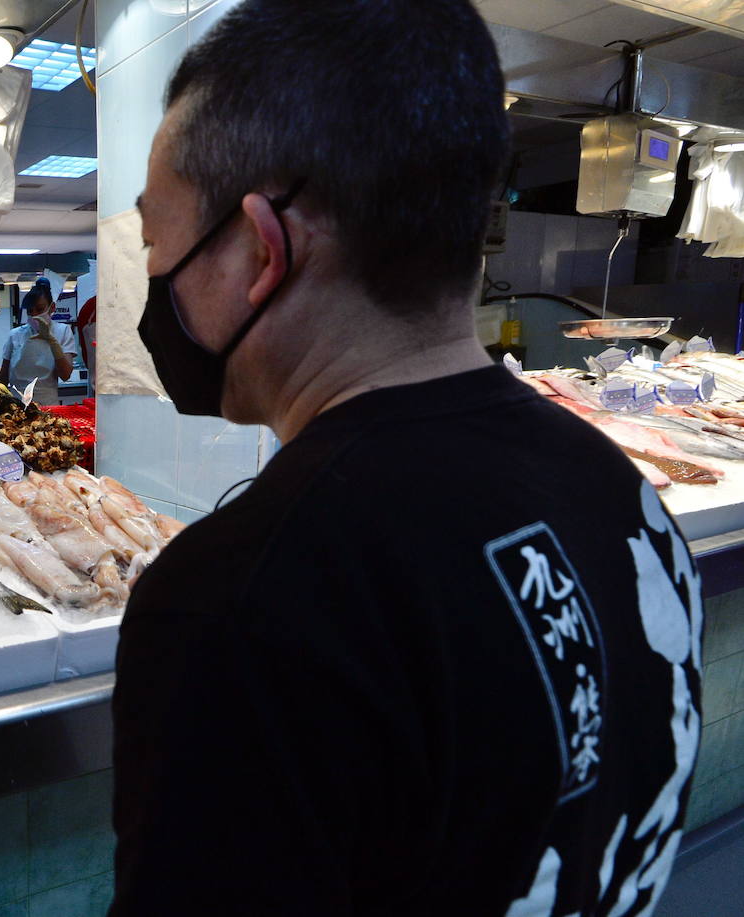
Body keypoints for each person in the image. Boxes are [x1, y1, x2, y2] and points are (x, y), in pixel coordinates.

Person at [112, 2, 702, 915]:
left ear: (261, 252)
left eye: (156, 245)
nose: (156, 288)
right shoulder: (623, 495)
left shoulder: (243, 605)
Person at [0, 279, 77, 403]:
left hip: (48, 404)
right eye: (30, 311)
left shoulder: (63, 331)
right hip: (17, 403)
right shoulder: (15, 335)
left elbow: (65, 375)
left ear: (52, 307)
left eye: (39, 310)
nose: (34, 315)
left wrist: (52, 341)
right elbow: (3, 378)